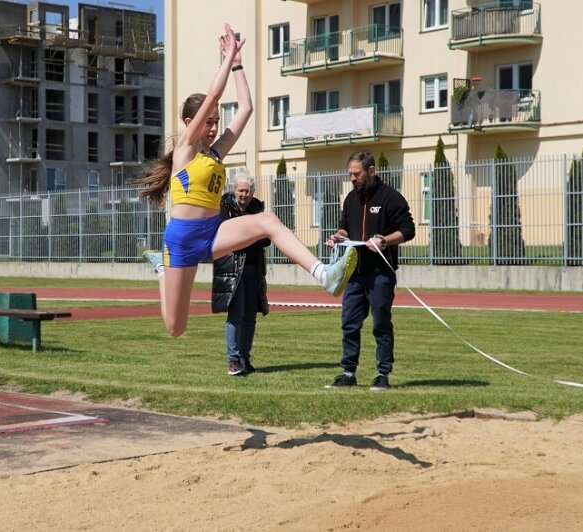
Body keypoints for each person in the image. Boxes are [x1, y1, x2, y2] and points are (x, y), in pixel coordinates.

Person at [136, 23, 356, 338]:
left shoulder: (215, 153)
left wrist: (238, 64)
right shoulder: (184, 150)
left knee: (266, 220)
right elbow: (214, 93)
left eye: (216, 122)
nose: (213, 129)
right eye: (208, 122)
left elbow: (247, 108)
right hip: (181, 240)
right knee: (175, 327)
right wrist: (225, 59)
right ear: (190, 123)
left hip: (213, 232)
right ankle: (161, 268)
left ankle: (326, 275)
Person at [325, 149, 415, 391]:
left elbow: (408, 230)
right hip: (354, 274)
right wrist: (339, 237)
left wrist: (384, 241)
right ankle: (348, 373)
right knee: (349, 324)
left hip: (380, 276)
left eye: (356, 174)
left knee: (381, 324)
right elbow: (345, 227)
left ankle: (383, 374)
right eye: (350, 174)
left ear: (371, 171)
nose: (352, 179)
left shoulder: (391, 197)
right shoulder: (351, 198)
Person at [211, 176, 269, 376]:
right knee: (236, 314)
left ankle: (245, 357)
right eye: (241, 191)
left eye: (247, 191)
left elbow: (266, 239)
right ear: (234, 190)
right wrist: (252, 233)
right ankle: (233, 359)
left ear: (252, 192)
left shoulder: (257, 208)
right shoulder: (224, 208)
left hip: (254, 267)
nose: (244, 195)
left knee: (251, 316)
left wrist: (245, 235)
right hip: (231, 267)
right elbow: (228, 235)